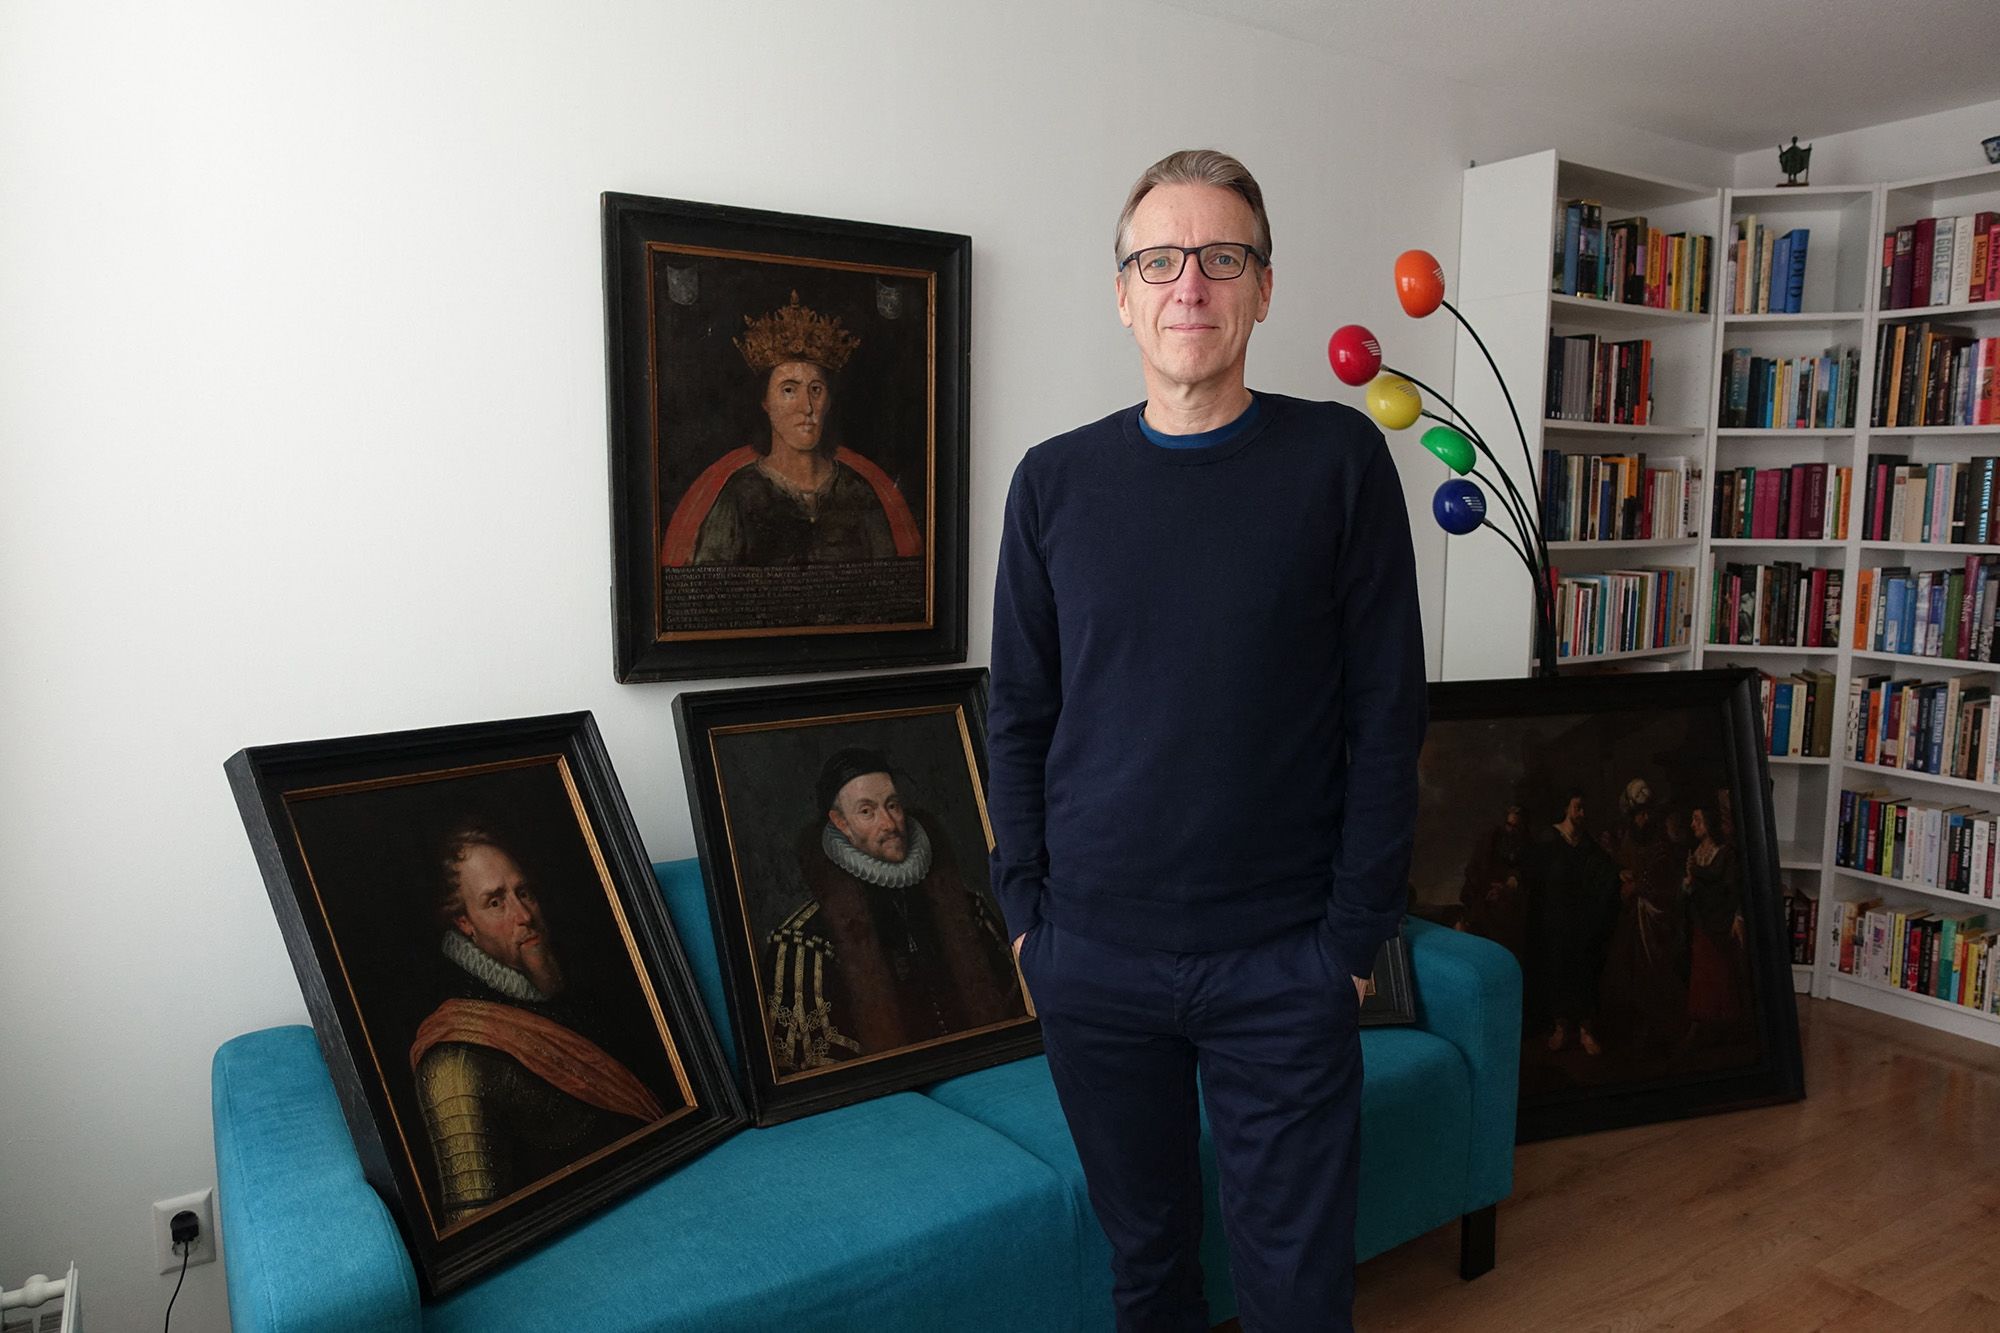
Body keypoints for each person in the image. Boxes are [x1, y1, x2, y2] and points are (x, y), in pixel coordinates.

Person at [986, 149, 1427, 1331]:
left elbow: (1389, 715)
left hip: (1281, 961)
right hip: (1093, 958)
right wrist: (1027, 917)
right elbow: (1017, 716)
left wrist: (1350, 937)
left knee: (1295, 1288)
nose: (1189, 283)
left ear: (1263, 288)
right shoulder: (1050, 485)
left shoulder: (1337, 462)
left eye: (1221, 257)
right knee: (1147, 1270)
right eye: (1159, 259)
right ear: (1121, 292)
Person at [409, 825, 669, 1225]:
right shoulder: (455, 1061)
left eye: (523, 892)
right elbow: (479, 1232)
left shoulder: (573, 999)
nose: (525, 916)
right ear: (465, 924)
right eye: (496, 903)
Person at [763, 748, 1027, 1074]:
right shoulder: (803, 939)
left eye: (892, 805)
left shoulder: (966, 906)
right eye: (867, 811)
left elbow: (1019, 1008)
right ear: (840, 823)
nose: (889, 823)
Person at [659, 292, 923, 567]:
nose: (806, 406)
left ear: (828, 402)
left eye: (816, 390)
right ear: (765, 402)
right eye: (788, 390)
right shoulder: (738, 495)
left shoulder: (859, 491)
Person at [1525, 793, 1620, 1056]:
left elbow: (1607, 872)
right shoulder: (1548, 840)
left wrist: (1617, 873)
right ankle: (1561, 1027)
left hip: (1582, 923)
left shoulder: (1588, 844)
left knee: (1585, 973)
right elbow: (1534, 878)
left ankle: (1585, 1030)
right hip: (1555, 922)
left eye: (1584, 809)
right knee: (1557, 971)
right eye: (1578, 808)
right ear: (1566, 808)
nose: (1582, 813)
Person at [1681, 804, 1748, 1039]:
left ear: (1708, 823)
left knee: (1723, 971)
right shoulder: (1695, 853)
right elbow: (1689, 889)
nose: (1693, 825)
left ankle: (1725, 1025)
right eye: (1692, 820)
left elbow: (1733, 890)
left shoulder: (1725, 853)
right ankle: (1702, 1021)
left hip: (1722, 919)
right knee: (1703, 972)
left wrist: (1736, 917)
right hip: (1702, 920)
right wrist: (1687, 885)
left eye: (1697, 820)